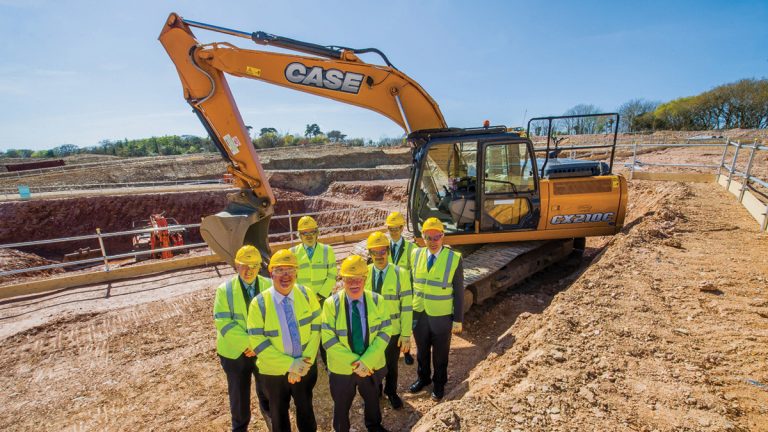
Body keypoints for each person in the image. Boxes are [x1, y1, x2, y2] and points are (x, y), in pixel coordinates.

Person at [247, 249, 322, 432]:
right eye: (280, 270)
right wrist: (291, 365)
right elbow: (259, 343)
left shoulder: (306, 294)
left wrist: (303, 364)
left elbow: (316, 330)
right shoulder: (259, 303)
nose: (285, 275)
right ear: (271, 273)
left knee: (306, 410)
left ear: (297, 272)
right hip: (274, 373)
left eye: (290, 270)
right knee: (279, 415)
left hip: (305, 366)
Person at [321, 255, 392, 432]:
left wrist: (366, 361)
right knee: (341, 404)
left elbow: (385, 332)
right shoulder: (331, 304)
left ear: (365, 279)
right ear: (342, 279)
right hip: (343, 369)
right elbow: (328, 339)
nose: (354, 283)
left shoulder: (377, 300)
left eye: (358, 279)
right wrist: (356, 363)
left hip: (370, 365)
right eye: (349, 279)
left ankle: (374, 425)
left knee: (372, 398)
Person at [213, 245, 272, 432]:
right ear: (236, 265)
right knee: (238, 394)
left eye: (254, 266)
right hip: (234, 352)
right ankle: (240, 427)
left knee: (267, 389)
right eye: (244, 265)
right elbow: (224, 323)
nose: (249, 270)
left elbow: (273, 319)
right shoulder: (225, 290)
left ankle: (272, 419)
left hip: (262, 351)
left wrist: (258, 346)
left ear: (259, 266)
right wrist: (250, 344)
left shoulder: (269, 286)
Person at [408, 217, 464, 401]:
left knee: (440, 353)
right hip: (419, 313)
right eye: (428, 237)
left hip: (441, 315)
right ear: (422, 237)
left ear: (443, 236)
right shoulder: (415, 255)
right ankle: (423, 378)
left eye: (436, 237)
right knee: (422, 351)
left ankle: (439, 383)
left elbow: (458, 291)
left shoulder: (453, 258)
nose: (433, 242)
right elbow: (412, 284)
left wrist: (458, 319)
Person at [364, 231, 412, 409]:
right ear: (369, 254)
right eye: (374, 252)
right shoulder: (365, 273)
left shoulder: (401, 274)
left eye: (382, 251)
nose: (379, 256)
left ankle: (391, 392)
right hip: (371, 332)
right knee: (373, 364)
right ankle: (376, 391)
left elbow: (407, 306)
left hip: (393, 331)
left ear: (388, 252)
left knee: (391, 365)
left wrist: (406, 334)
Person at [292, 215, 337, 366]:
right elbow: (292, 278)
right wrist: (303, 296)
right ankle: (307, 360)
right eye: (305, 233)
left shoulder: (327, 250)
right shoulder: (293, 253)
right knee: (305, 330)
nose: (309, 236)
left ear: (317, 233)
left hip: (323, 299)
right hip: (302, 300)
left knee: (324, 330)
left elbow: (332, 274)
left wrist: (320, 294)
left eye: (312, 232)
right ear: (299, 235)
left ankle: (327, 361)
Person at [384, 211, 417, 365]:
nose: (394, 231)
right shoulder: (383, 248)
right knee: (391, 322)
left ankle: (407, 351)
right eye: (391, 228)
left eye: (396, 228)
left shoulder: (411, 248)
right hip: (388, 292)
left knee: (405, 322)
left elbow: (414, 273)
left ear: (402, 228)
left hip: (404, 291)